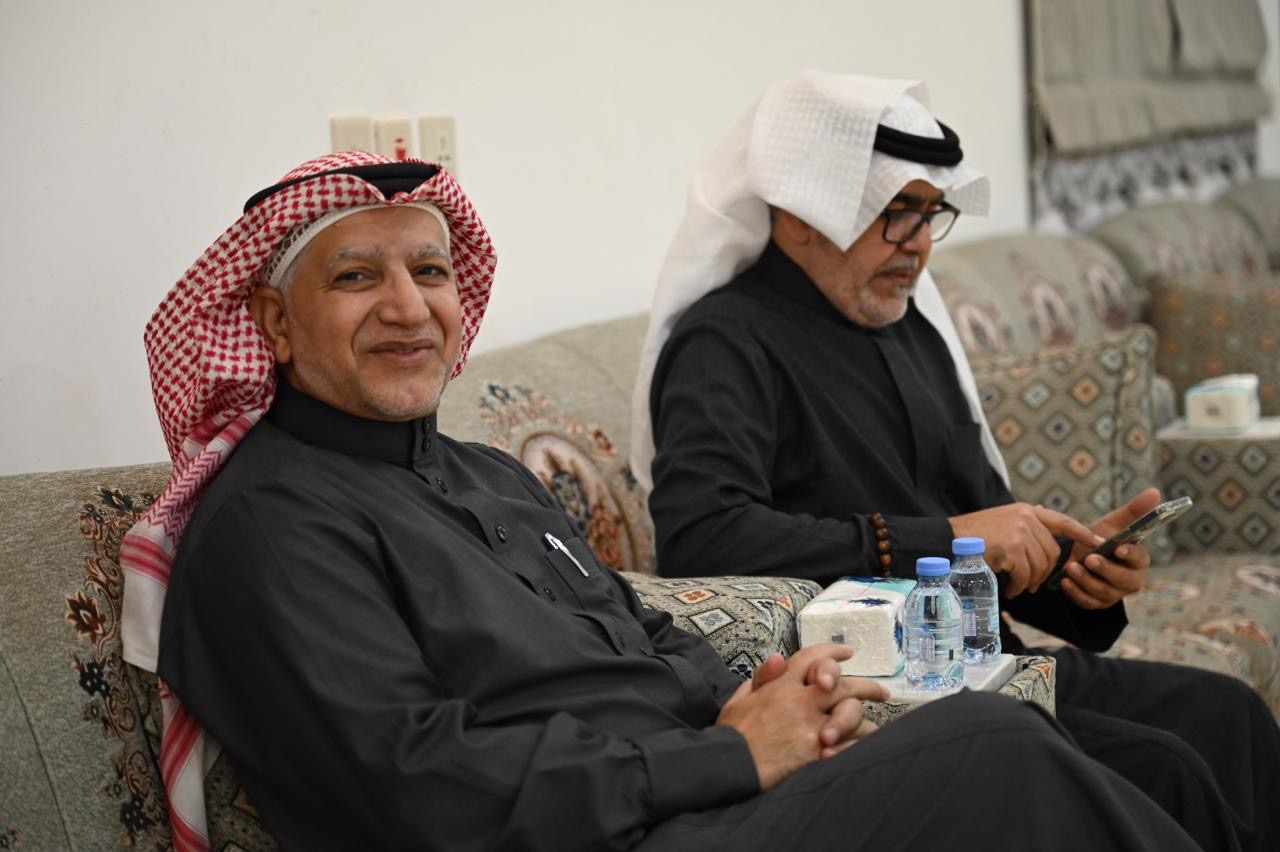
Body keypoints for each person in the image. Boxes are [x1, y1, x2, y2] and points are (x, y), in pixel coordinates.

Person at [119, 151, 1196, 852]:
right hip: (611, 835)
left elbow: (639, 630)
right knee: (994, 752)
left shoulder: (488, 474)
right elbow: (415, 785)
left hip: (693, 798)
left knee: (1154, 754)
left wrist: (762, 699)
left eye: (431, 273)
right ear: (273, 323)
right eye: (357, 278)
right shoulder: (271, 527)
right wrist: (728, 754)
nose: (408, 308)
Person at [635, 71, 1279, 852]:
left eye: (929, 213)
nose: (917, 243)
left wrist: (1077, 574)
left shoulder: (909, 330)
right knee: (1168, 767)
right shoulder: (725, 344)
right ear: (801, 215)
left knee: (1231, 715)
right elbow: (702, 540)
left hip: (985, 661)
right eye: (895, 212)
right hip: (878, 696)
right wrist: (941, 538)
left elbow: (987, 531)